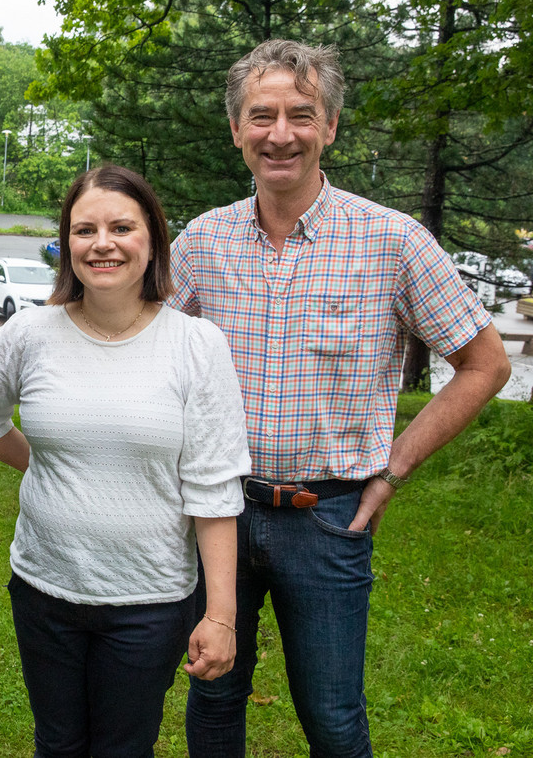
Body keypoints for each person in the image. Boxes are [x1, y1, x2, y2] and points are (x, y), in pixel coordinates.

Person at [168, 39, 512, 756]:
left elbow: (484, 363)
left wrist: (394, 469)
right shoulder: (202, 241)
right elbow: (153, 354)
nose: (280, 135)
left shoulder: (393, 241)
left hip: (326, 517)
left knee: (331, 716)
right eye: (261, 116)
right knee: (213, 695)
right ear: (237, 129)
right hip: (217, 508)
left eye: (302, 115)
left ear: (329, 127)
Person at [0, 164, 251, 757]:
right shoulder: (27, 334)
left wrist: (222, 614)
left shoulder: (196, 345)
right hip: (44, 589)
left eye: (121, 227)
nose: (102, 244)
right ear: (67, 243)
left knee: (124, 749)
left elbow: (214, 492)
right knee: (57, 743)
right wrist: (45, 467)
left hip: (149, 603)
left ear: (151, 238)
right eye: (85, 230)